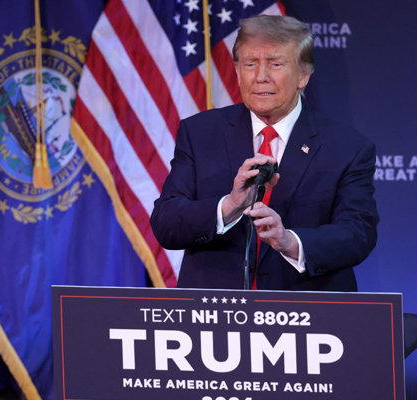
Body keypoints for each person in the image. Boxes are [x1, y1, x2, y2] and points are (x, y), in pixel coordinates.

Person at [150, 15, 379, 291]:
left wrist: (290, 242)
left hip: (307, 318)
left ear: (303, 75)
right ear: (237, 70)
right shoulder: (199, 133)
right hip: (213, 317)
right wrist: (229, 206)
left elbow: (357, 233)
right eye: (250, 64)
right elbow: (166, 222)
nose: (261, 76)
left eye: (275, 64)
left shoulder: (347, 147)